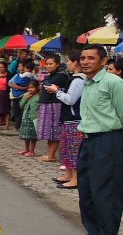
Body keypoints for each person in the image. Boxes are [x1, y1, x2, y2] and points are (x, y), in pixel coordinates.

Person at [73, 44, 123, 235]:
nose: (85, 61)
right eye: (83, 57)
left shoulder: (114, 82)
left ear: (103, 61)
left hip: (108, 141)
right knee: (86, 191)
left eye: (91, 58)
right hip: (87, 141)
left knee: (106, 193)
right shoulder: (86, 82)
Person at [49, 51, 84, 190]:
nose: (67, 63)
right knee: (67, 149)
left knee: (74, 149)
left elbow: (70, 100)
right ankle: (68, 175)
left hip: (74, 119)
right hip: (68, 119)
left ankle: (75, 179)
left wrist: (57, 92)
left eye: (69, 61)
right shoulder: (74, 78)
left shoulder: (79, 80)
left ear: (75, 62)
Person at [36, 54, 69, 162]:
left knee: (55, 131)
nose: (48, 66)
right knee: (48, 132)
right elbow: (47, 84)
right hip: (46, 104)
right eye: (47, 64)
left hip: (55, 105)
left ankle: (51, 155)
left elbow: (48, 86)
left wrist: (46, 82)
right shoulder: (50, 75)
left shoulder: (61, 76)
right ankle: (49, 154)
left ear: (57, 64)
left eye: (51, 64)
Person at [17, 79, 41, 157]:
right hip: (26, 117)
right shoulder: (26, 95)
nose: (30, 89)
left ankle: (32, 151)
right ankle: (26, 149)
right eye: (29, 88)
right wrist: (25, 99)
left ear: (37, 87)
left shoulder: (39, 97)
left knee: (33, 136)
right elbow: (21, 105)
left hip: (34, 118)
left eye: (32, 87)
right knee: (26, 135)